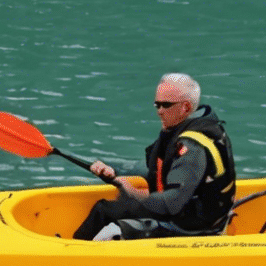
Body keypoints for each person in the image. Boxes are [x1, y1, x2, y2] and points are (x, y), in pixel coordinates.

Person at [74, 73, 237, 241]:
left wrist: (133, 192)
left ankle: (72, 254)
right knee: (122, 198)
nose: (159, 111)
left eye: (165, 105)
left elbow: (171, 203)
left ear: (186, 107)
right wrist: (112, 171)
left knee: (104, 211)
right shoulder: (194, 126)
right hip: (191, 212)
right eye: (157, 104)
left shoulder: (191, 148)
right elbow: (156, 167)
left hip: (189, 227)